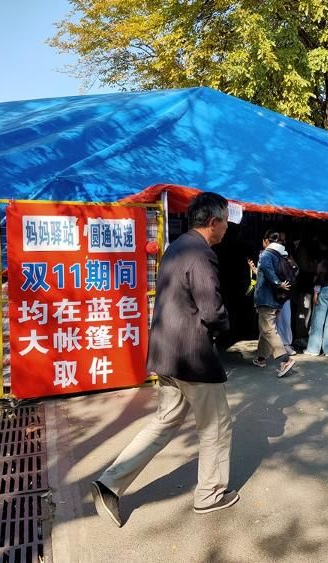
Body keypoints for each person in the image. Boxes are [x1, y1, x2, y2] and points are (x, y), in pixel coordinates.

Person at [91, 192, 238, 527]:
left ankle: (109, 483)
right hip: (193, 358)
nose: (227, 227)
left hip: (166, 354)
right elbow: (212, 311)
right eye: (226, 220)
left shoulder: (177, 246)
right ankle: (211, 494)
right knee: (216, 427)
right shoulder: (202, 254)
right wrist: (225, 328)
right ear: (213, 222)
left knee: (163, 423)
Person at [251, 230, 296, 377]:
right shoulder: (280, 254)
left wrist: (278, 283)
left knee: (268, 329)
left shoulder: (266, 254)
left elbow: (269, 272)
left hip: (266, 298)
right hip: (277, 299)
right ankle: (261, 358)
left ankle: (285, 360)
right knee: (266, 328)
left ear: (266, 241)